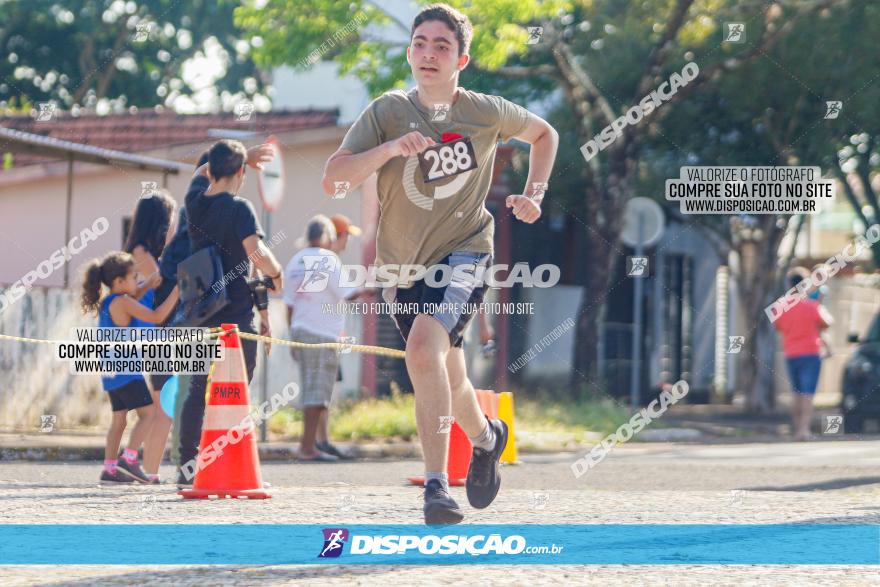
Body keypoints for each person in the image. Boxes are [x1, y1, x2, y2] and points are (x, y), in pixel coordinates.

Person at [322, 3, 558, 524]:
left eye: (442, 46)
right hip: (401, 267)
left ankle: (435, 487)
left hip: (466, 251)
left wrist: (534, 193)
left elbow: (545, 134)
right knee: (445, 370)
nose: (429, 53)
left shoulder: (486, 111)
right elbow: (334, 180)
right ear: (409, 53)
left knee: (423, 350)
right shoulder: (386, 112)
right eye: (421, 43)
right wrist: (386, 152)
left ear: (462, 59)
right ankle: (486, 437)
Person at [176, 139, 283, 487]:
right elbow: (256, 253)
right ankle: (227, 462)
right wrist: (276, 273)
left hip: (199, 308)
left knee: (196, 388)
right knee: (235, 389)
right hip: (235, 312)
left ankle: (187, 465)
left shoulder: (193, 203)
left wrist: (239, 155)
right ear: (241, 172)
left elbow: (199, 171)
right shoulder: (240, 208)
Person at [80, 252, 179, 484]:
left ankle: (110, 469)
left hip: (111, 372)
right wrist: (177, 292)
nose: (138, 280)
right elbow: (156, 316)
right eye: (134, 277)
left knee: (119, 421)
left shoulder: (110, 301)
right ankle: (130, 460)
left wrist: (145, 286)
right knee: (150, 414)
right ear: (119, 282)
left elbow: (131, 297)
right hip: (127, 370)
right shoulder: (124, 302)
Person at [283, 215, 362, 462]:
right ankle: (307, 447)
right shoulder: (328, 259)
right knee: (317, 393)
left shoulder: (296, 260)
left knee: (311, 390)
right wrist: (375, 287)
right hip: (322, 334)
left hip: (301, 330)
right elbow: (347, 294)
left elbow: (289, 305)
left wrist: (293, 335)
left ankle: (312, 444)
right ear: (327, 237)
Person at [123, 187, 177, 483]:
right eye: (169, 220)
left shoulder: (140, 251)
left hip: (154, 336)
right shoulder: (141, 254)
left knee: (161, 408)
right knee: (162, 409)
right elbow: (159, 282)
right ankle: (144, 468)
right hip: (152, 337)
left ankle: (143, 468)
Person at [773, 268, 833, 441]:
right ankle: (804, 430)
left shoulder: (781, 307)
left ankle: (796, 429)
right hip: (811, 353)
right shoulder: (811, 306)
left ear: (789, 285)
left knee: (796, 392)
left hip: (791, 353)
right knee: (808, 393)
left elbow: (778, 328)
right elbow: (827, 323)